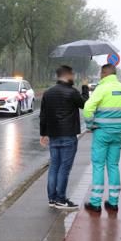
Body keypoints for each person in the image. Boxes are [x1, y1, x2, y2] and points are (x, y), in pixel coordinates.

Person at [40, 65, 89, 210]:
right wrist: (85, 88)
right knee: (64, 169)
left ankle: (52, 199)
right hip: (68, 136)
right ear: (67, 75)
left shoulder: (48, 93)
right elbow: (85, 104)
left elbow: (43, 115)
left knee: (54, 166)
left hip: (54, 136)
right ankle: (61, 199)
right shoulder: (72, 92)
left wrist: (43, 133)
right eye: (72, 74)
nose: (74, 77)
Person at [83, 64, 121, 212]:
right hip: (117, 133)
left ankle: (96, 202)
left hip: (102, 133)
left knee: (98, 165)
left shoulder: (101, 88)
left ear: (103, 74)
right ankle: (113, 201)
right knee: (113, 165)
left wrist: (89, 125)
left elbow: (88, 108)